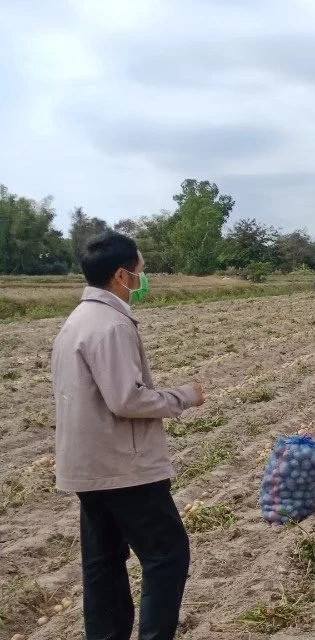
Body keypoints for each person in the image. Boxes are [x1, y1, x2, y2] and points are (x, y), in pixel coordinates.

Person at [51, 231, 205, 640]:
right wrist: (184, 396)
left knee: (103, 562)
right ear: (121, 275)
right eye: (140, 270)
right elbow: (126, 399)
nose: (142, 278)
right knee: (167, 555)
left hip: (87, 465)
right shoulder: (112, 324)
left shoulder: (76, 321)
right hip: (123, 465)